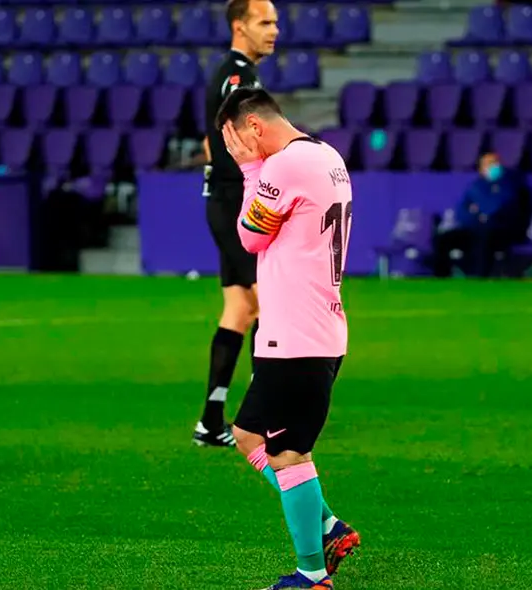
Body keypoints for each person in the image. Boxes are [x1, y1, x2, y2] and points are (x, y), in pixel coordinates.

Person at [215, 88, 360, 589]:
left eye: (237, 140)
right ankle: (328, 525)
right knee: (248, 435)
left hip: (297, 338)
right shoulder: (327, 155)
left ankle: (312, 574)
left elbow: (250, 237)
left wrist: (249, 170)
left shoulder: (282, 166)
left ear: (254, 127)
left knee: (288, 454)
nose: (237, 149)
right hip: (314, 330)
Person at [195, 0, 278, 448]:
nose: (274, 30)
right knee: (272, 306)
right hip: (234, 204)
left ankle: (211, 421)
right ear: (239, 27)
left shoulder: (239, 74)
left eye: (275, 22)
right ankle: (263, 419)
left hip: (226, 200)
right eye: (264, 22)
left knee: (240, 309)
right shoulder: (237, 77)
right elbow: (245, 140)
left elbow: (212, 142)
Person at [431, 153, 532, 278]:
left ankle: (480, 278)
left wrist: (478, 209)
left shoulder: (510, 185)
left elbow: (495, 207)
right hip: (473, 229)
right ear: (481, 169)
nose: (493, 166)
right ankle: (441, 278)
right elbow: (462, 213)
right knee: (443, 240)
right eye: (488, 164)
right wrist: (479, 214)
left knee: (485, 238)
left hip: (500, 231)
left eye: (495, 162)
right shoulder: (476, 186)